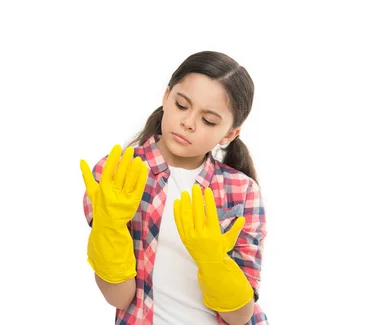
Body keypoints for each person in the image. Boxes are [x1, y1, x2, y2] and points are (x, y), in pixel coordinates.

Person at [79, 51, 268, 325]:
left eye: (208, 121)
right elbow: (119, 298)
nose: (188, 123)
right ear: (166, 97)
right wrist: (108, 228)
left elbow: (240, 316)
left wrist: (214, 262)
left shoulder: (242, 191)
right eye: (182, 105)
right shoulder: (116, 175)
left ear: (229, 134)